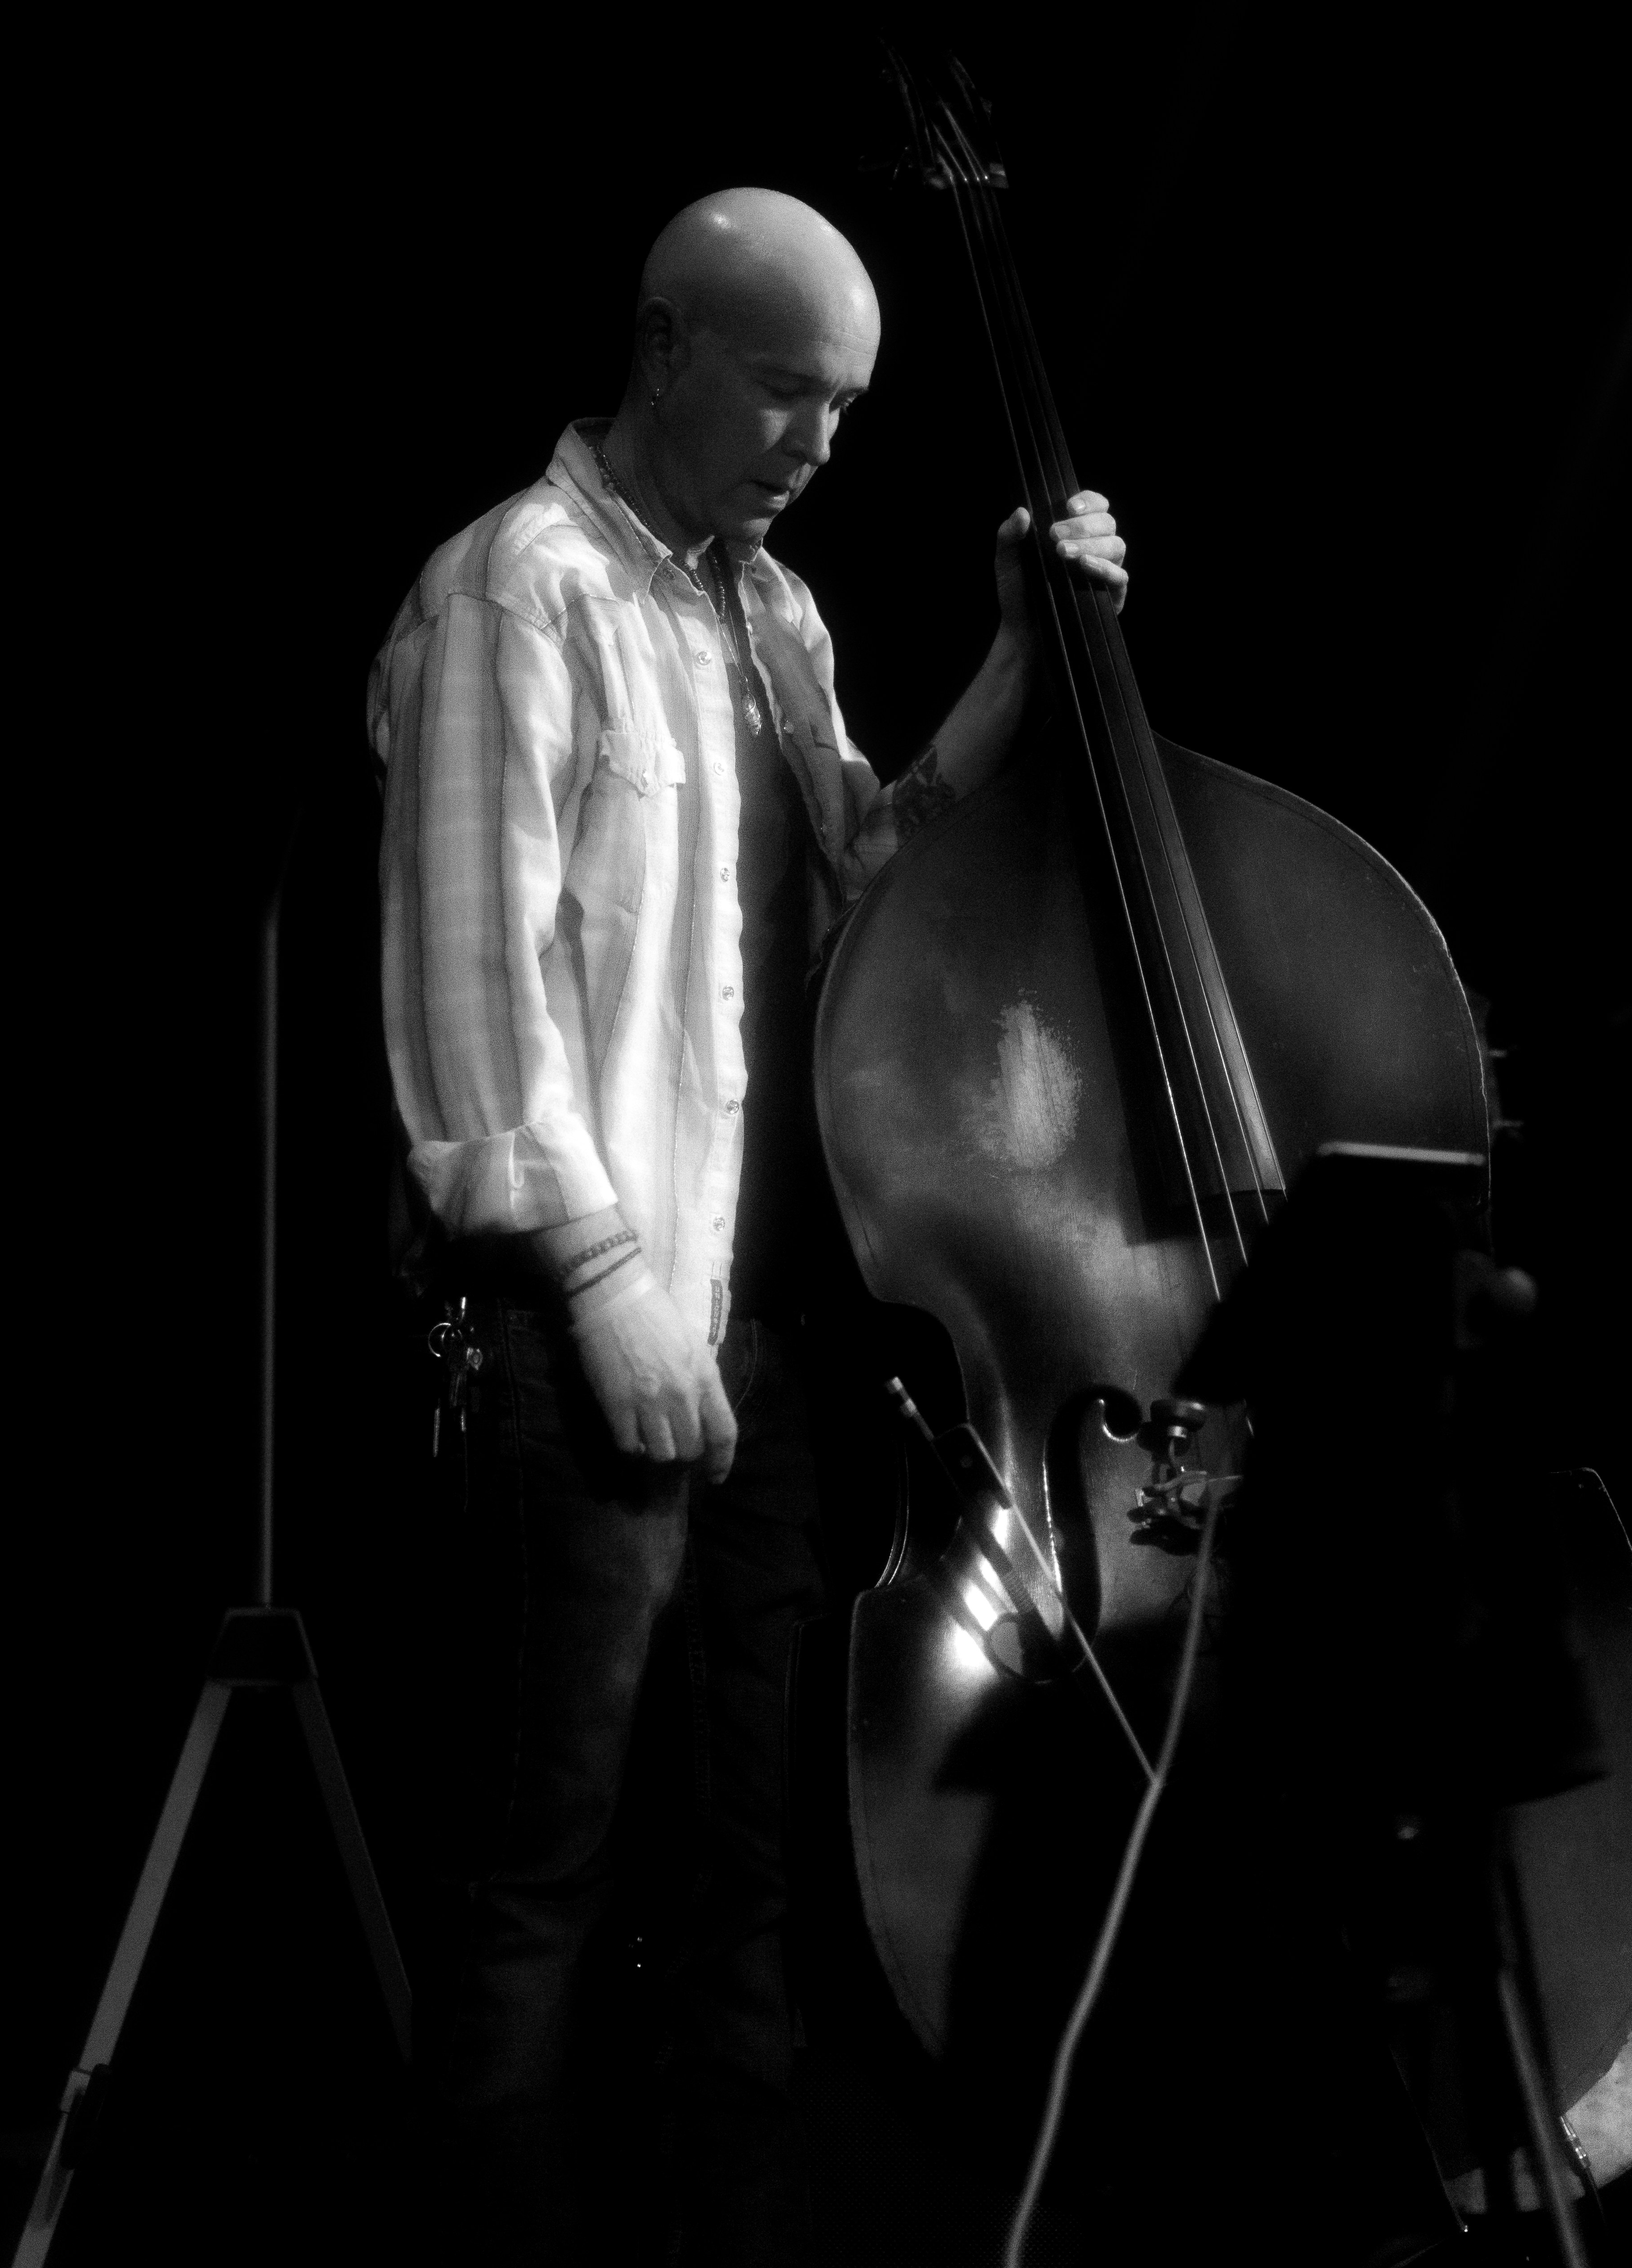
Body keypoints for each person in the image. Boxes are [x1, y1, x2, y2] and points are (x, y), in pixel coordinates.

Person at [368, 185, 1127, 2264]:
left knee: (738, 1864)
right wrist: (604, 1288)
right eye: (787, 381)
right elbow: (470, 988)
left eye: (849, 406)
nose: (815, 434)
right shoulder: (515, 594)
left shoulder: (765, 615)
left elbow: (870, 874)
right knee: (539, 1873)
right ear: (666, 343)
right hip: (582, 1323)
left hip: (765, 1337)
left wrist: (1010, 650)